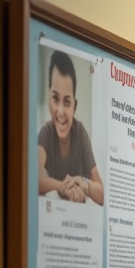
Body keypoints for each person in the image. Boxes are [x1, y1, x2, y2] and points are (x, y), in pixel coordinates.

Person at [37, 50, 104, 205]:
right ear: (49, 99)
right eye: (55, 99)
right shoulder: (46, 133)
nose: (60, 111)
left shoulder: (80, 133)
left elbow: (101, 194)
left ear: (75, 106)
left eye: (67, 102)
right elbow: (35, 178)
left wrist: (83, 183)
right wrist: (63, 186)